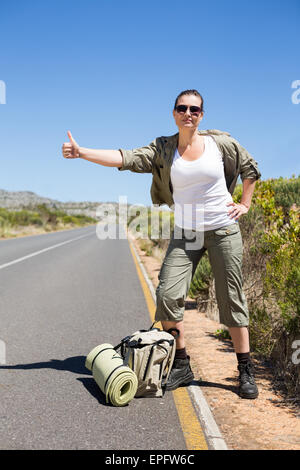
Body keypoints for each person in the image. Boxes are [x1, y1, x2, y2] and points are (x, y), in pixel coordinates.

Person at [62, 89, 261, 399]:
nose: (188, 113)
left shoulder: (220, 144)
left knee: (231, 299)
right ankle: (181, 362)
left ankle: (245, 369)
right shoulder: (163, 149)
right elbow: (125, 157)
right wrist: (82, 152)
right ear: (174, 113)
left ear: (202, 115)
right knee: (167, 294)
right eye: (182, 108)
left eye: (195, 109)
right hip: (187, 233)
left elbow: (251, 169)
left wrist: (245, 204)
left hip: (223, 229)